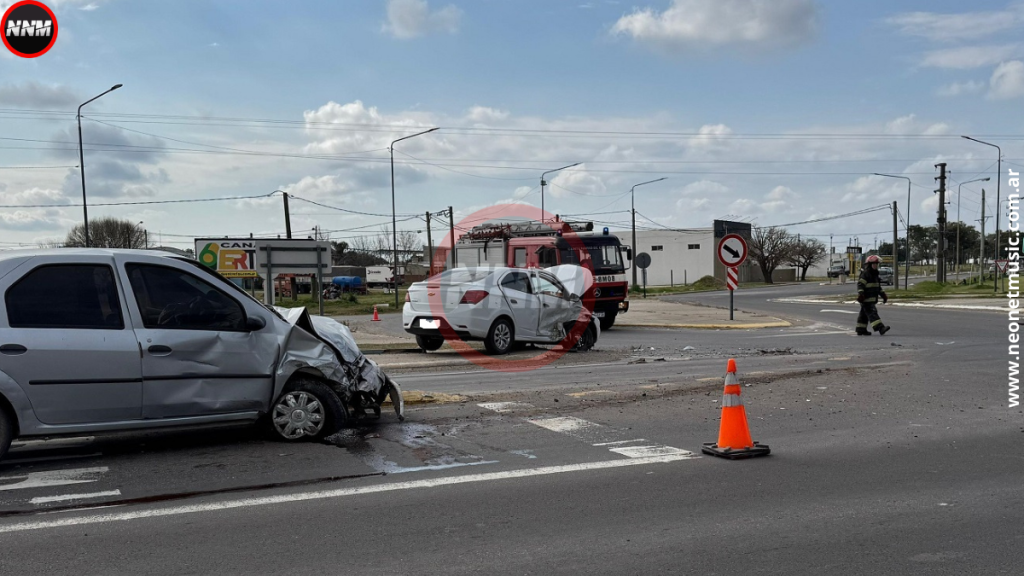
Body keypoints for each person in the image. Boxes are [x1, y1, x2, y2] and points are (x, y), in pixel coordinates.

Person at [856, 255, 890, 336]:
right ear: (869, 265)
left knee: (863, 315)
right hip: (866, 299)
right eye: (874, 264)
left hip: (872, 299)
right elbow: (860, 285)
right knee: (872, 313)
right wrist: (861, 294)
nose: (876, 266)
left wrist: (883, 295)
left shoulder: (875, 275)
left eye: (877, 264)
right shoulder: (866, 274)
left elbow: (877, 287)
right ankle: (880, 328)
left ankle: (861, 329)